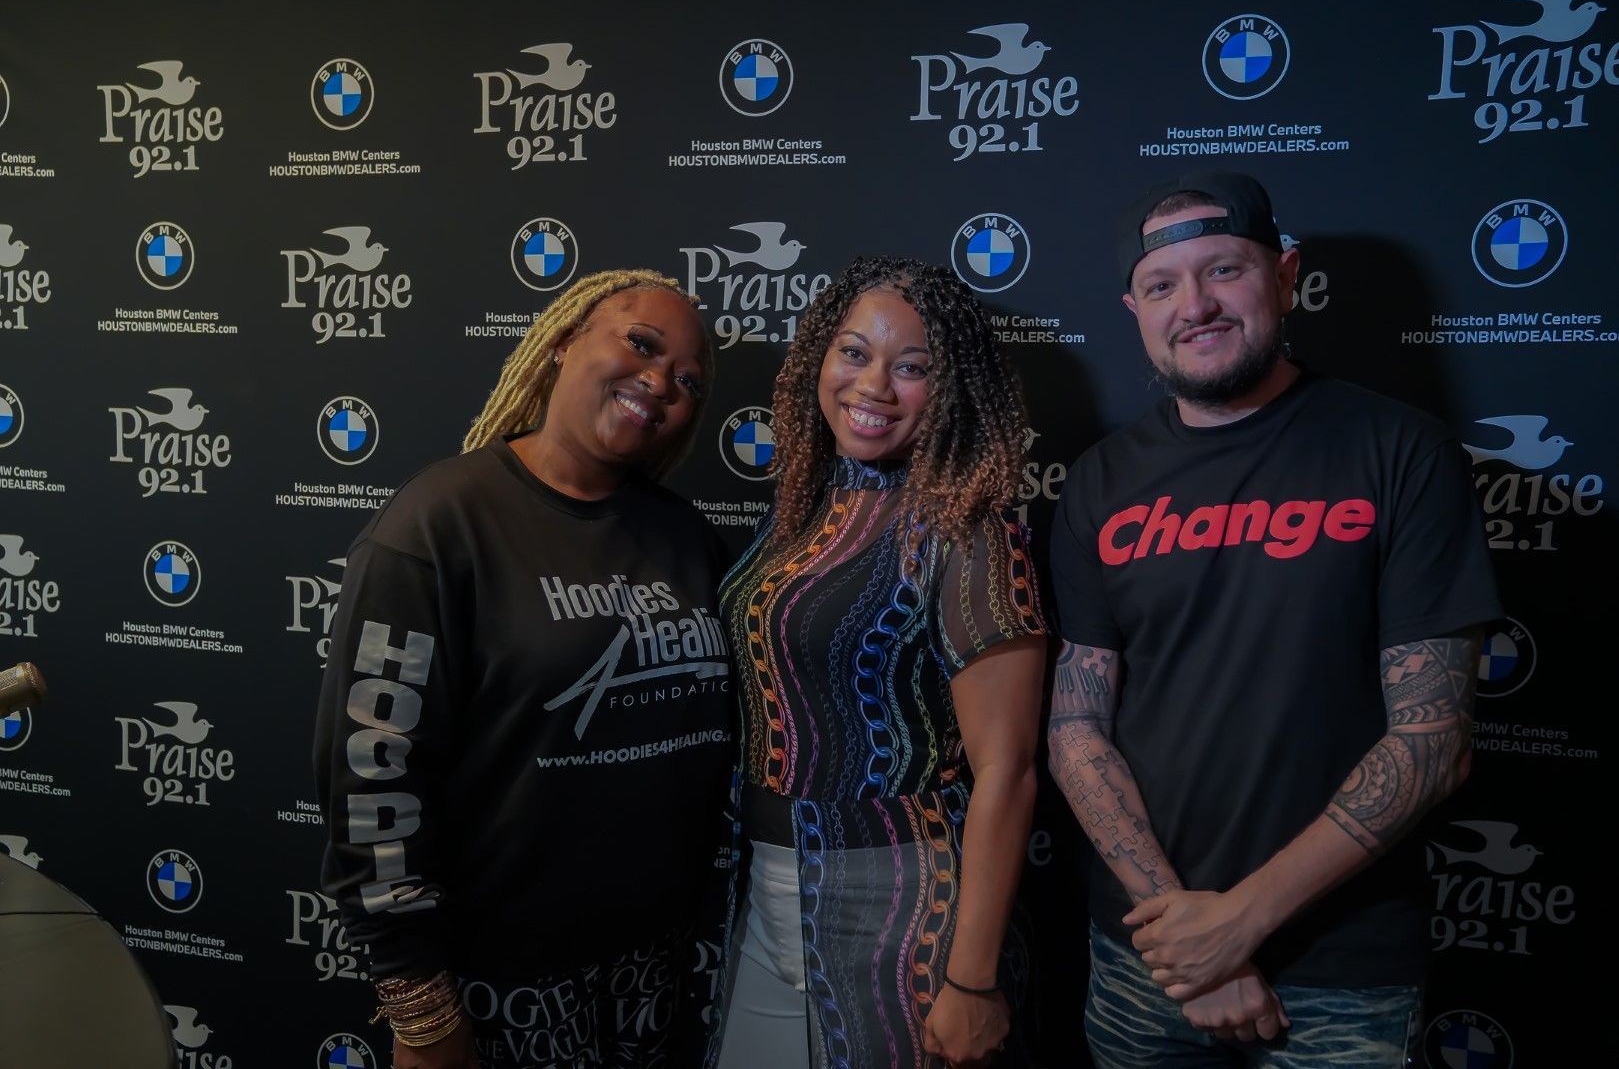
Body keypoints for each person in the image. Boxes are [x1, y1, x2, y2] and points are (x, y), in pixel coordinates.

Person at [1045, 170, 1499, 1068]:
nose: (1195, 305)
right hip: (1148, 955)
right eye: (1162, 285)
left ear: (1286, 276)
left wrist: (1237, 924)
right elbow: (1075, 727)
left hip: (1341, 977)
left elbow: (1431, 739)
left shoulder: (1399, 451)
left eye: (1225, 271)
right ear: (1131, 306)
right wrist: (1188, 941)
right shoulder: (1098, 480)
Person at [314, 269, 734, 1069]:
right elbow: (370, 775)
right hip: (496, 980)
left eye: (687, 380)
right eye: (640, 344)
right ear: (564, 342)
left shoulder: (687, 538)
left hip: (655, 974)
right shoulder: (440, 524)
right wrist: (422, 1009)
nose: (659, 382)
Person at [712, 256, 1048, 1069]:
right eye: (854, 353)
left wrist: (969, 981)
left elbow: (1007, 771)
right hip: (764, 887)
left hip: (904, 902)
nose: (873, 386)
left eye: (913, 368)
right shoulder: (804, 503)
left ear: (953, 388)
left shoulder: (965, 527)